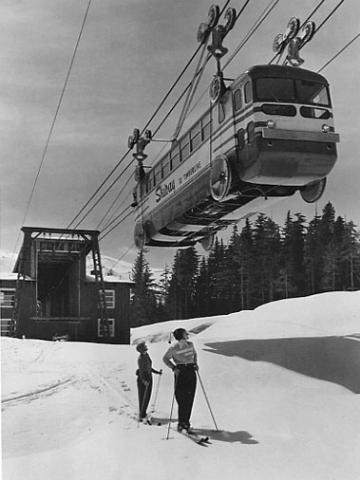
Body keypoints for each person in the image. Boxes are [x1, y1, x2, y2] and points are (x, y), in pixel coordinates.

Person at [162, 328, 198, 432]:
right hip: (181, 371)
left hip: (191, 370)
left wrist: (195, 363)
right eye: (185, 333)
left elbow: (194, 354)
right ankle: (181, 422)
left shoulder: (190, 344)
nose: (187, 335)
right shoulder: (174, 347)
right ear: (181, 336)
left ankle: (186, 422)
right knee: (181, 397)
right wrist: (173, 368)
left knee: (190, 396)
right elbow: (165, 358)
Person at [136, 341, 162, 422]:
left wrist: (157, 372)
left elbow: (149, 367)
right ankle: (141, 414)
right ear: (141, 349)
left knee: (147, 396)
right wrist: (144, 381)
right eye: (144, 346)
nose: (146, 346)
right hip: (143, 379)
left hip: (149, 377)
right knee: (143, 396)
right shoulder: (141, 359)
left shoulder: (146, 355)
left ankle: (143, 413)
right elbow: (141, 371)